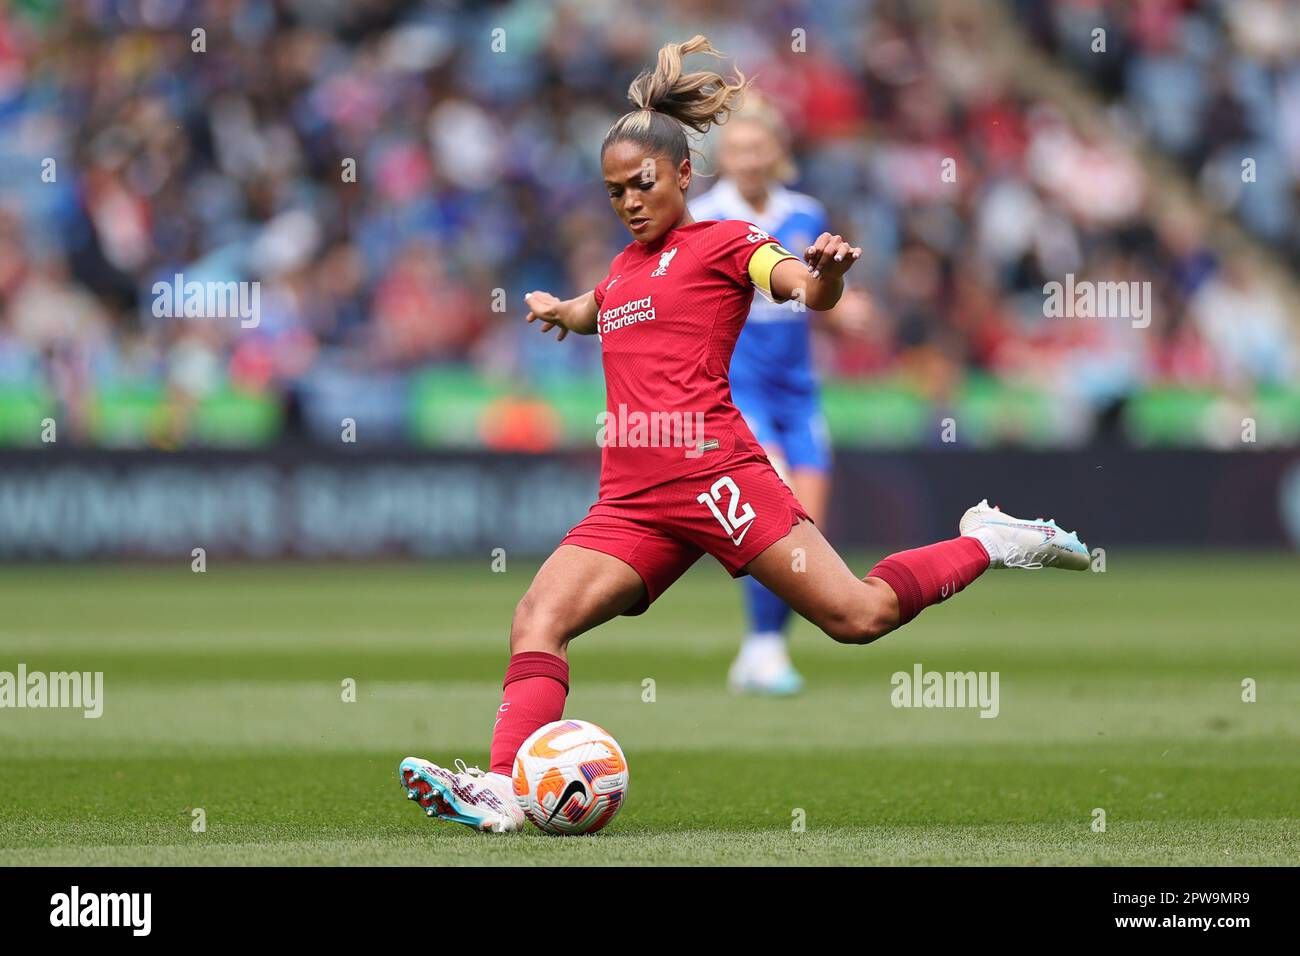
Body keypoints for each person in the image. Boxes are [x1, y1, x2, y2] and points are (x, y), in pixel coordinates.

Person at [399, 37, 1090, 833]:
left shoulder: (725, 244)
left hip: (718, 480)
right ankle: (499, 791)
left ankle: (992, 540)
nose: (628, 201)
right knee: (536, 620)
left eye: (643, 184)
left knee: (855, 618)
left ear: (685, 176)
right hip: (631, 503)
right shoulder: (623, 268)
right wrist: (565, 312)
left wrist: (824, 274)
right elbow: (603, 309)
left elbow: (800, 287)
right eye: (614, 190)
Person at [689, 95, 850, 695]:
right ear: (722, 158)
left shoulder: (806, 211)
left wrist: (844, 301)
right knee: (774, 518)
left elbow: (816, 291)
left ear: (777, 153)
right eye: (738, 149)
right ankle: (762, 649)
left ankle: (765, 649)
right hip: (738, 386)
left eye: (759, 148)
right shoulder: (706, 217)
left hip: (799, 390)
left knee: (808, 526)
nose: (749, 159)